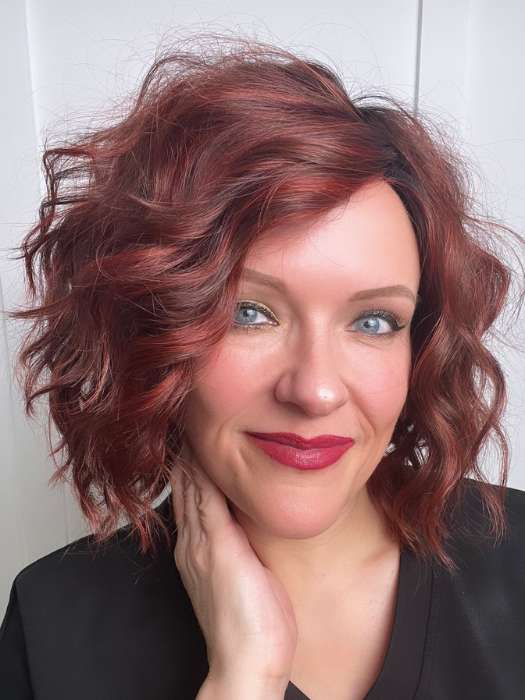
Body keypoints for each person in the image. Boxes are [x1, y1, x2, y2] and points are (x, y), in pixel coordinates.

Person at [1, 32, 525, 700]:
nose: (315, 390)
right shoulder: (53, 626)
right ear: (154, 327)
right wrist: (243, 677)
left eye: (373, 321)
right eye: (249, 313)